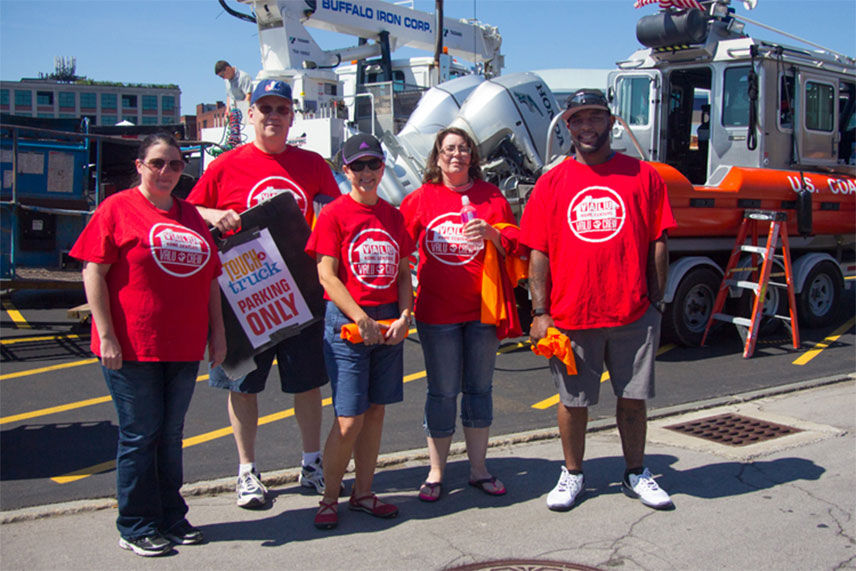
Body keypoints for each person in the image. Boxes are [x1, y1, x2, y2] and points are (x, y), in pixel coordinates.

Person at [520, 89, 677, 512]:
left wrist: (656, 304)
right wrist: (540, 312)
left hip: (632, 313)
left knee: (632, 399)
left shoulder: (644, 176)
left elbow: (658, 242)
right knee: (573, 403)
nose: (586, 126)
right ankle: (572, 474)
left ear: (610, 121)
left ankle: (636, 472)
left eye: (594, 118)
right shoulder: (552, 182)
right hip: (572, 314)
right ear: (568, 127)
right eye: (577, 120)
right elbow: (539, 250)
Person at [187, 79, 341, 508]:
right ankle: (246, 472)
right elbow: (189, 210)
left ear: (293, 116)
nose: (273, 115)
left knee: (307, 385)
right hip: (246, 298)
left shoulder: (311, 165)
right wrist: (215, 213)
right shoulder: (224, 166)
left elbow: (333, 216)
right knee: (243, 385)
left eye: (282, 109)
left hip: (302, 295)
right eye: (265, 108)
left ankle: (312, 464)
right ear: (250, 113)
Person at [71, 133, 226, 556]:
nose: (166, 172)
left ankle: (170, 515)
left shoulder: (191, 216)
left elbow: (212, 280)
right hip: (133, 346)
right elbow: (93, 273)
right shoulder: (117, 209)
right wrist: (105, 335)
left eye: (175, 165)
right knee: (140, 435)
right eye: (157, 163)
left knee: (170, 435)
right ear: (140, 165)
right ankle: (136, 524)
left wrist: (219, 335)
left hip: (183, 346)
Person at [400, 127, 519, 502]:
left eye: (464, 149)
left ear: (473, 158)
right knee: (442, 392)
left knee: (479, 390)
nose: (457, 155)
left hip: (482, 311)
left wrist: (493, 234)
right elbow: (398, 248)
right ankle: (436, 472)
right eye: (449, 149)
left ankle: (478, 469)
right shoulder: (421, 199)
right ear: (437, 157)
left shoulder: (491, 196)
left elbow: (516, 242)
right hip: (436, 313)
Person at [305, 133, 414, 530]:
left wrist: (405, 314)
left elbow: (403, 273)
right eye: (358, 166)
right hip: (349, 321)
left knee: (375, 411)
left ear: (383, 167)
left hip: (387, 319)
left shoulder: (392, 215)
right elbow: (326, 275)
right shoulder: (333, 213)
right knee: (349, 417)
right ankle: (329, 497)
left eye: (374, 165)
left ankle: (364, 493)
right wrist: (358, 318)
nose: (367, 173)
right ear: (345, 170)